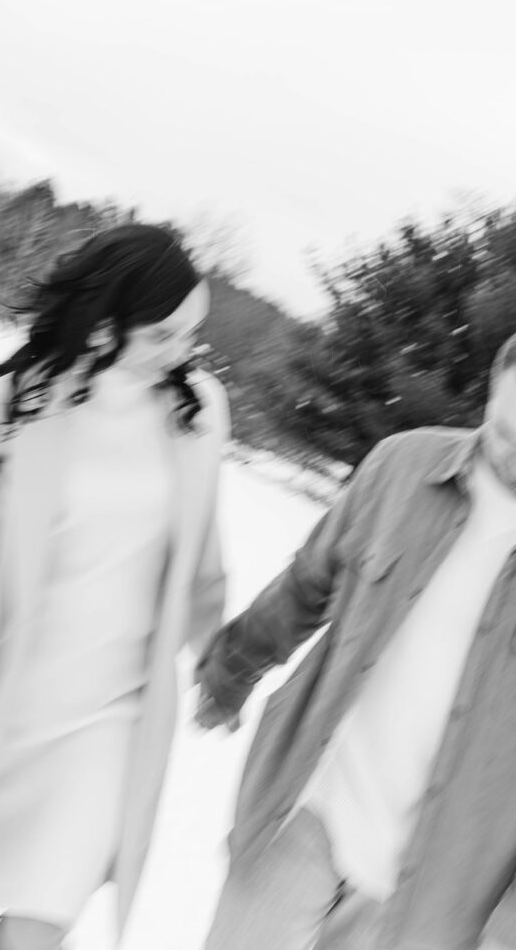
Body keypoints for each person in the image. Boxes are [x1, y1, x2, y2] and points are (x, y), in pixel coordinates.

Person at [0, 223, 229, 950]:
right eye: (162, 335)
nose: (183, 352)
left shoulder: (198, 411)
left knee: (44, 915)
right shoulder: (8, 408)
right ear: (103, 327)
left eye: (193, 333)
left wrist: (222, 661)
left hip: (107, 718)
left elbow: (201, 556)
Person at [196, 334, 516, 950]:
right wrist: (233, 668)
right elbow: (308, 583)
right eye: (505, 430)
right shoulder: (402, 466)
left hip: (436, 897)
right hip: (304, 815)